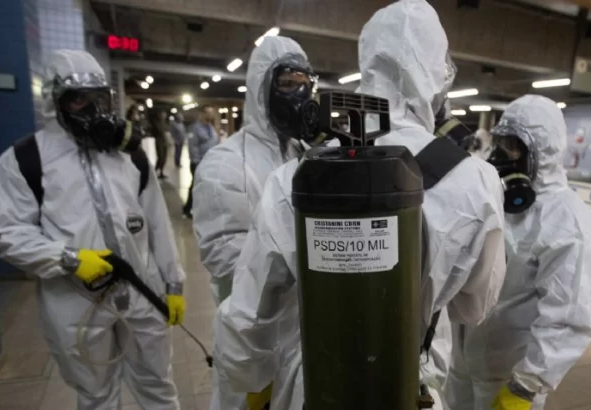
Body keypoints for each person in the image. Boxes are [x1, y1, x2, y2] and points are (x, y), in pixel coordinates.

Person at [213, 0, 507, 408]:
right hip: (413, 387)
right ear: (438, 73)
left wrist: (253, 382)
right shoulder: (478, 180)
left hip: (319, 386)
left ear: (367, 62)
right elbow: (472, 308)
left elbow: (248, 316)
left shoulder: (296, 175)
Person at [0, 49, 186, 410]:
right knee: (96, 396)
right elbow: (3, 231)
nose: (92, 110)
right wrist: (67, 259)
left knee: (158, 386)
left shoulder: (129, 156)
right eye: (78, 99)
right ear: (55, 103)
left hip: (142, 290)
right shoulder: (25, 160)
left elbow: (157, 223)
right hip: (76, 299)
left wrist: (173, 284)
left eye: (99, 99)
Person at [444, 95, 591, 410]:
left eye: (514, 147)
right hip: (462, 365)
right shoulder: (498, 203)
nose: (502, 156)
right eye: (501, 144)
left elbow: (567, 320)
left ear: (543, 153)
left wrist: (525, 386)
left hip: (508, 380)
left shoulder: (572, 226)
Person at [193, 36, 316, 410]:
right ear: (263, 86)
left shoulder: (309, 156)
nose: (300, 95)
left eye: (305, 84)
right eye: (288, 83)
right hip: (251, 339)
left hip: (306, 336)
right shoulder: (225, 164)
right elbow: (226, 262)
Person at [182, 105, 218, 218]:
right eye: (207, 112)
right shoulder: (195, 128)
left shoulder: (210, 127)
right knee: (196, 186)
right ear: (202, 114)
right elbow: (192, 146)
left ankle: (205, 209)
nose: (210, 115)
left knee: (208, 186)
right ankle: (187, 208)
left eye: (211, 112)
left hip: (210, 162)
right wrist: (196, 162)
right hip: (199, 162)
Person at [150, 109, 169, 179]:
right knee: (160, 157)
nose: (164, 115)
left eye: (165, 114)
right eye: (163, 114)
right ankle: (154, 172)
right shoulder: (156, 122)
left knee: (164, 158)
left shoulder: (164, 122)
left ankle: (161, 172)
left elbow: (166, 130)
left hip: (164, 141)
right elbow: (160, 130)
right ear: (159, 115)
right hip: (159, 141)